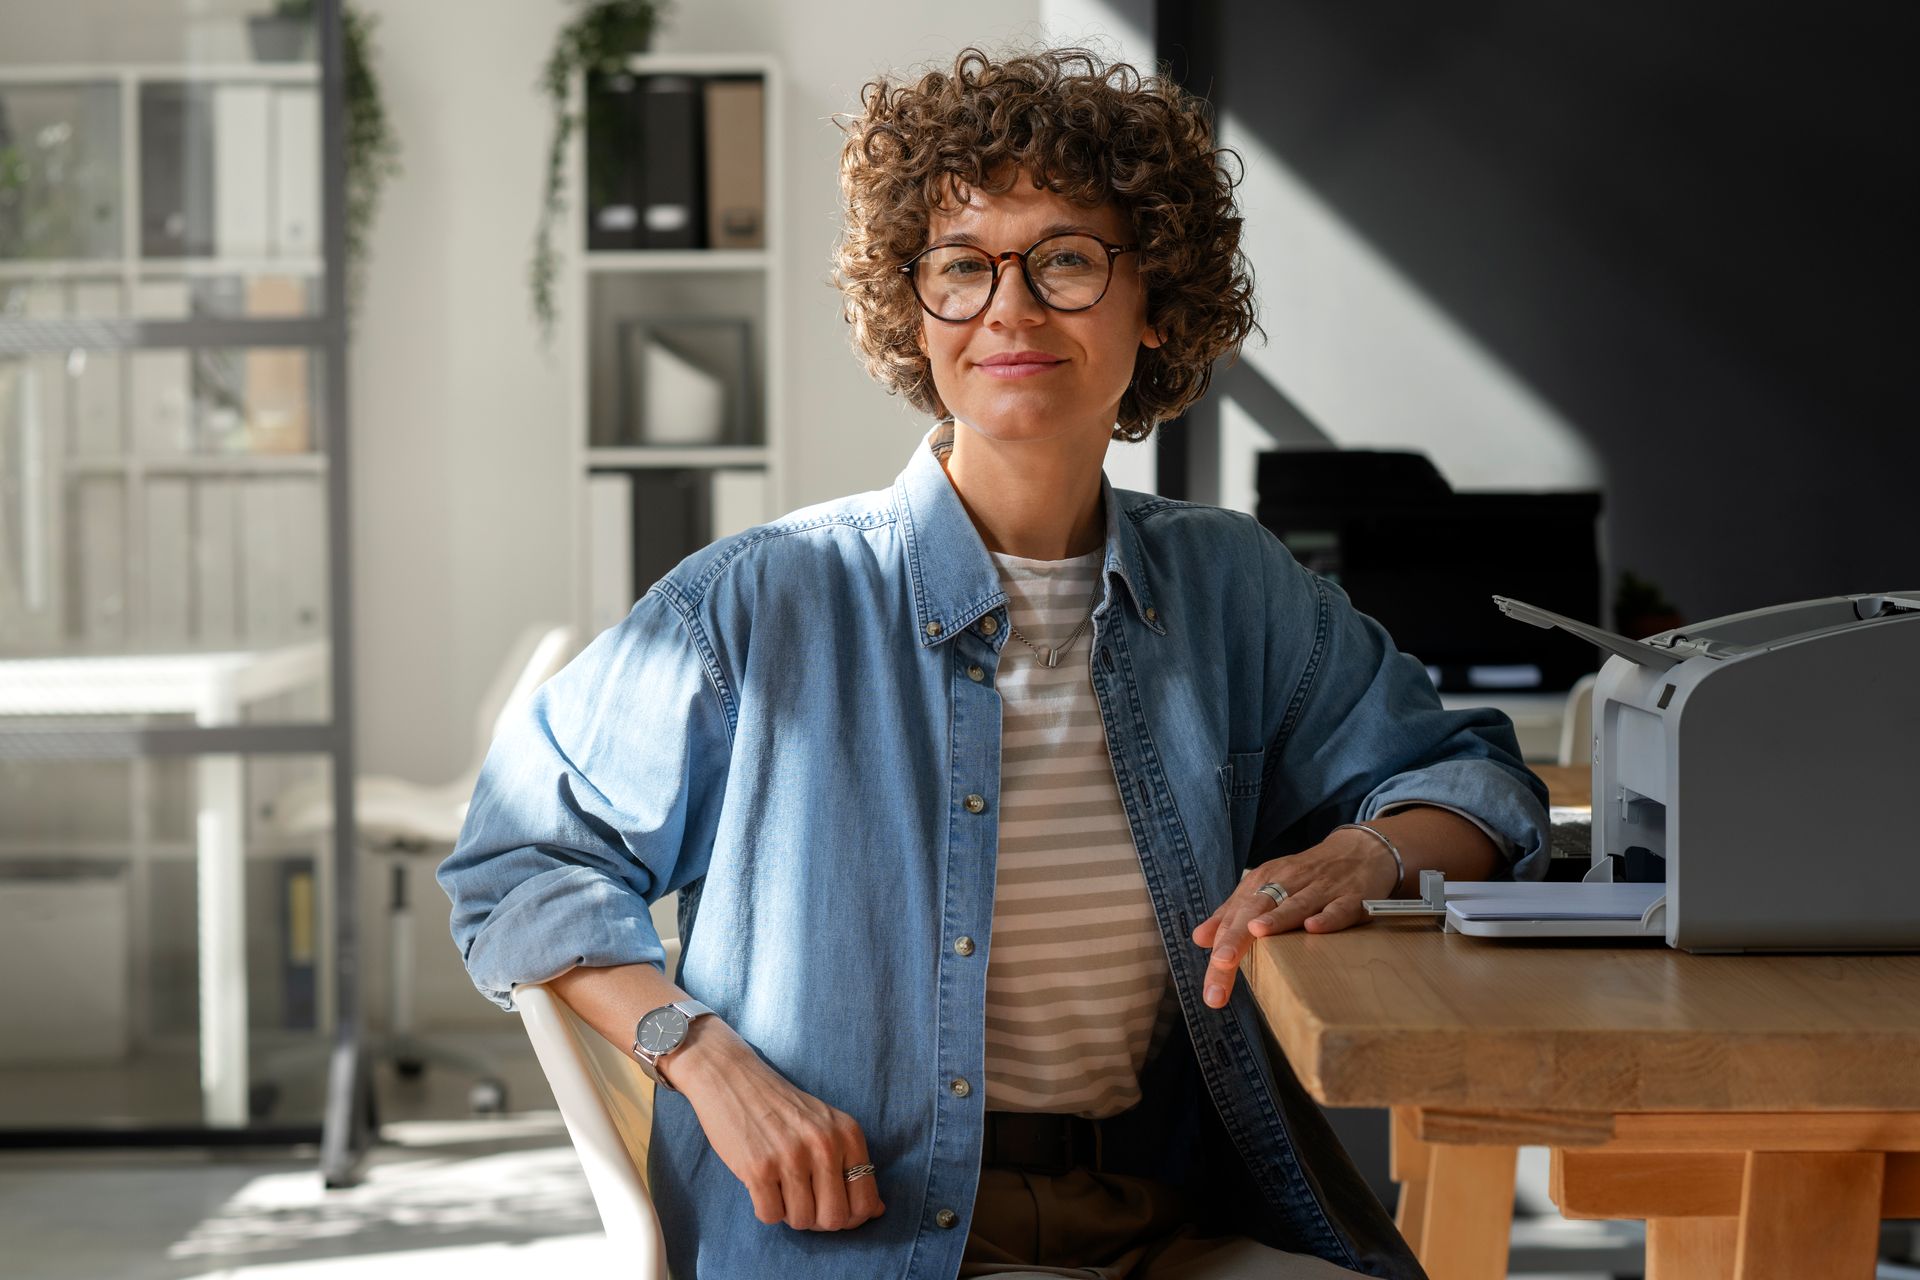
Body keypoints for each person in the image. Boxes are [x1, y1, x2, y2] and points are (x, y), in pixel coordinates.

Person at [439, 45, 1548, 1280]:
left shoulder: (1233, 586)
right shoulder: (760, 601)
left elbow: (1472, 779)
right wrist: (697, 1051)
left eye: (1065, 260)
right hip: (876, 1239)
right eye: (963, 267)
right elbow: (516, 857)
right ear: (915, 312)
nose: (1009, 309)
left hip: (1165, 1212)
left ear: (1158, 301)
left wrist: (1369, 850)